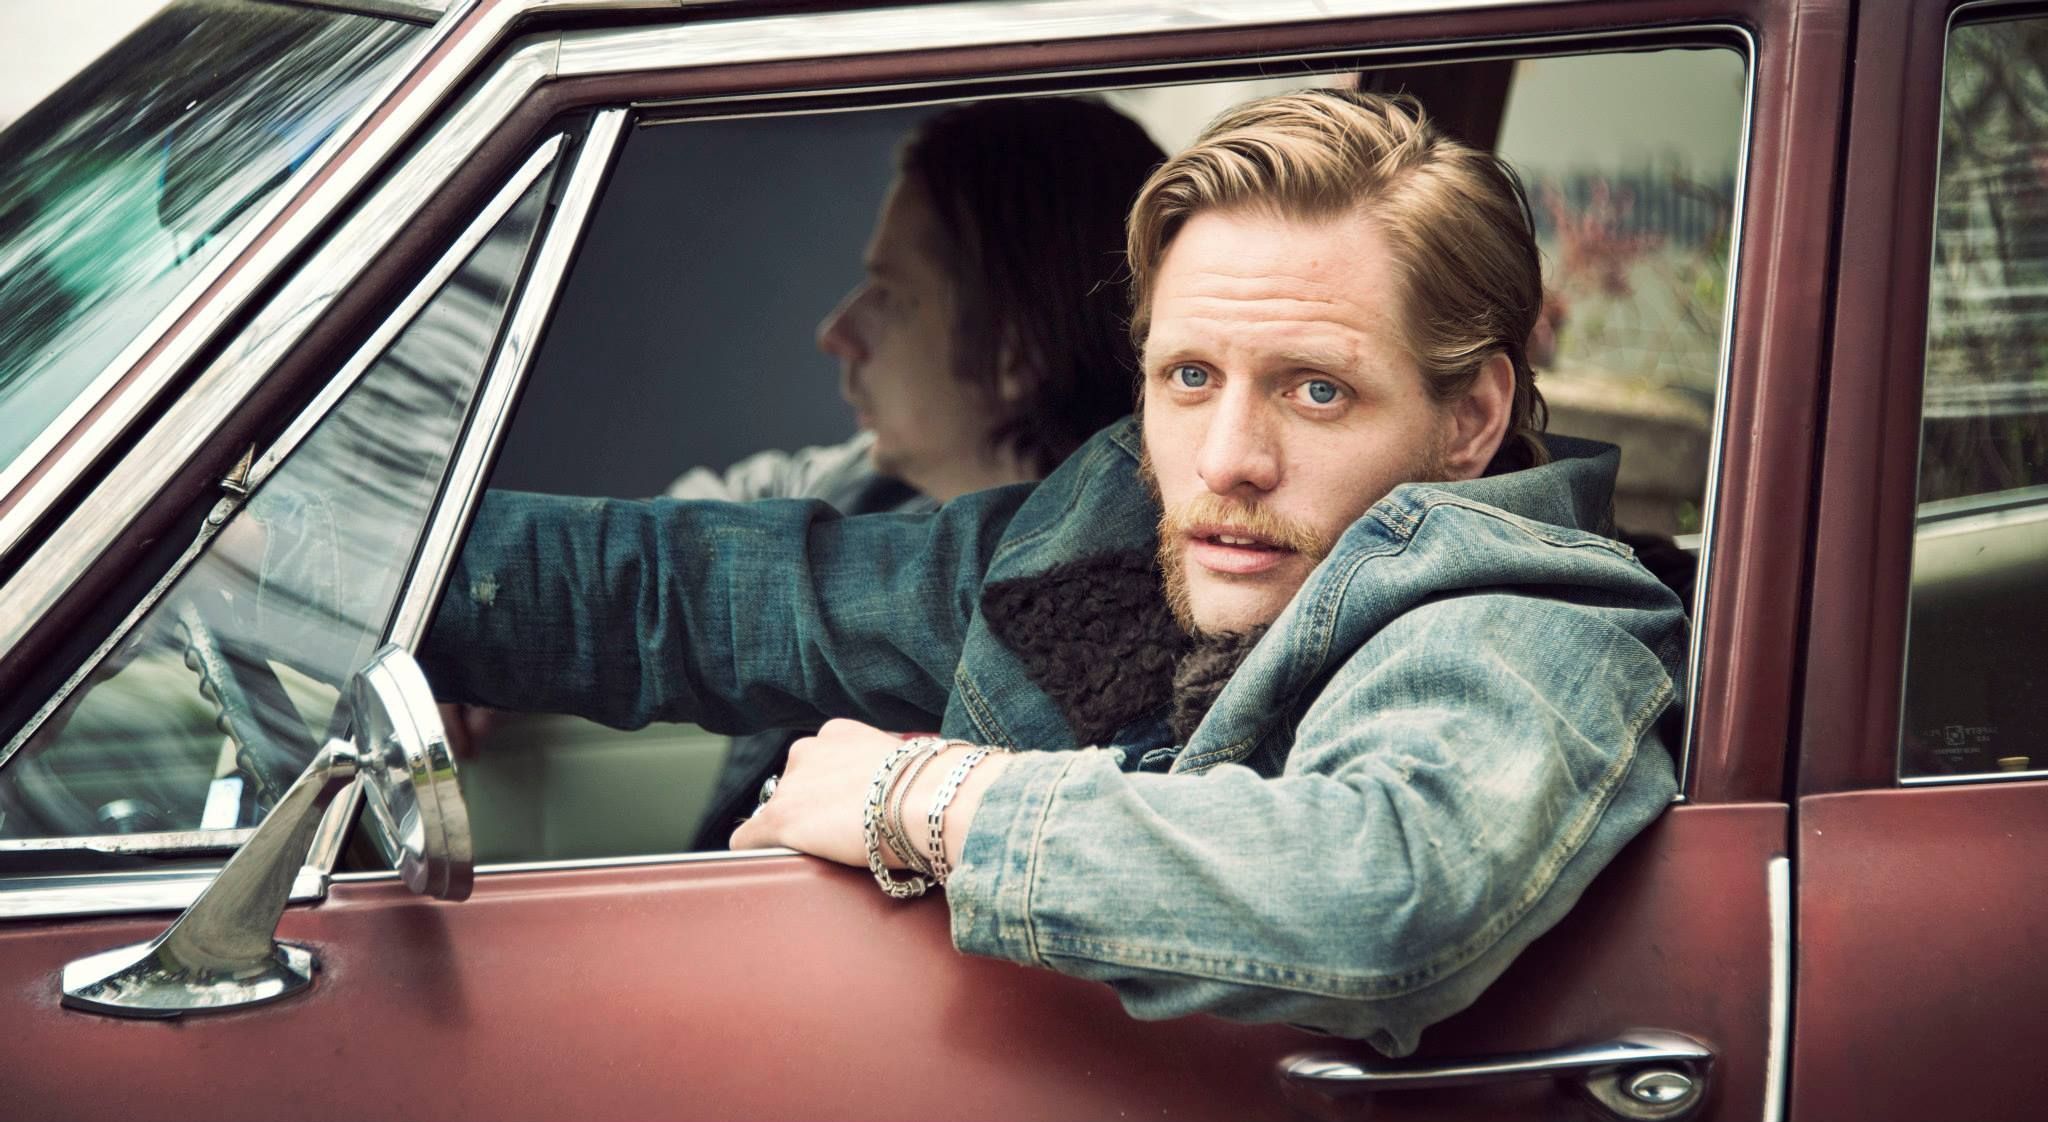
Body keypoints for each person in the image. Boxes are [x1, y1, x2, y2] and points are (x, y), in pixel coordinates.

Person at [421, 90, 1684, 1056]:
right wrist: (372, 572)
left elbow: (1383, 894)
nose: (1227, 460)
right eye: (1188, 377)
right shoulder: (1109, 545)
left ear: (1468, 420)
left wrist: (923, 796)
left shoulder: (1523, 619)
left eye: (1315, 390)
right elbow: (697, 597)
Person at [660, 98, 1165, 842]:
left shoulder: (1094, 659)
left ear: (1015, 351)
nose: (836, 332)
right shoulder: (876, 488)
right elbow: (723, 510)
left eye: (892, 295)